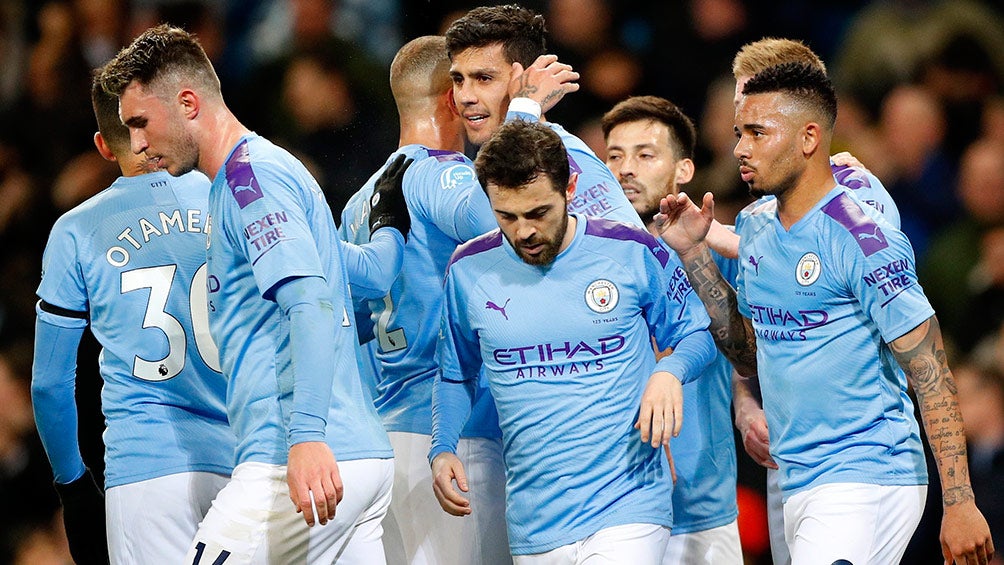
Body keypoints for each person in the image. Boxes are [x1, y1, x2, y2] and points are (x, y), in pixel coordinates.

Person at [656, 61, 994, 564]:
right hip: (797, 479)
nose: (740, 149)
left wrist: (961, 502)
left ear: (809, 138)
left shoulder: (862, 236)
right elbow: (748, 354)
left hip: (867, 475)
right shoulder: (753, 226)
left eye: (757, 132)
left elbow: (930, 369)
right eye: (737, 133)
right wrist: (695, 256)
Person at [99, 24, 411, 563]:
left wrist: (308, 438)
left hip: (295, 459)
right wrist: (390, 231)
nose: (138, 144)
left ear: (189, 102)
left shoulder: (251, 183)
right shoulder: (265, 173)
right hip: (355, 458)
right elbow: (360, 275)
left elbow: (310, 303)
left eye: (141, 123)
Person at [430, 119, 717, 562]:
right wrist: (443, 447)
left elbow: (695, 332)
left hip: (630, 504)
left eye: (538, 213)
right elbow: (456, 375)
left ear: (571, 188)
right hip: (535, 522)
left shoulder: (630, 249)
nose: (523, 231)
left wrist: (669, 371)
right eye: (506, 215)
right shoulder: (468, 270)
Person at [31, 74, 232, 565]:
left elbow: (49, 384)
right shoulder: (227, 200)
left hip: (145, 474)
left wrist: (74, 488)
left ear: (103, 145)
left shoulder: (76, 230)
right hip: (243, 465)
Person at [729, 37, 905, 564]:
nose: (741, 114)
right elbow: (757, 326)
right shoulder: (761, 213)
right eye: (741, 100)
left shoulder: (859, 197)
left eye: (753, 101)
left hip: (859, 458)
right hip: (792, 454)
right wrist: (744, 405)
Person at [340, 35, 510, 565]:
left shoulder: (358, 201)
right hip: (456, 436)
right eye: (465, 82)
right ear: (449, 97)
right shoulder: (446, 176)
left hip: (387, 436)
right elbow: (506, 223)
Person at [603, 95, 742, 564]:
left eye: (645, 155)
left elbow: (745, 350)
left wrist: (746, 406)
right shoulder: (581, 260)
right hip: (610, 508)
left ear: (683, 170)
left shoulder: (717, 249)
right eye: (615, 155)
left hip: (701, 504)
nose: (626, 168)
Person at [444, 3, 644, 228]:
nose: (465, 96)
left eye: (484, 79)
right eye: (459, 80)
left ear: (527, 79)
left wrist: (524, 107)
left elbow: (481, 223)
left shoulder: (570, 156)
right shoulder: (474, 170)